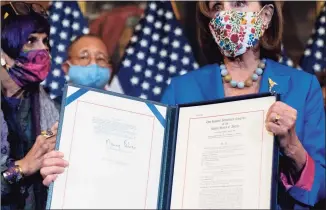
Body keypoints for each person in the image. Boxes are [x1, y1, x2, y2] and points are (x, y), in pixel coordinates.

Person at [40, 1, 325, 209]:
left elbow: (321, 185)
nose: (227, 14)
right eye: (217, 7)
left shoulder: (302, 86)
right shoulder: (182, 88)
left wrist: (291, 147)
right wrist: (73, 164)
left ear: (264, 17)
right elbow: (149, 171)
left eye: (239, 3)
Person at [1, 2, 59, 209]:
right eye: (31, 41)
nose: (43, 50)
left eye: (45, 41)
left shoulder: (51, 108)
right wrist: (23, 167)